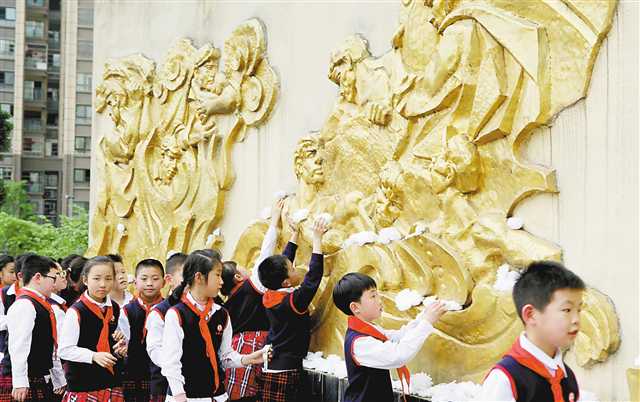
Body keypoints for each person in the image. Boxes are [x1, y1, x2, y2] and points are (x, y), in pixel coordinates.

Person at [161, 250, 267, 402]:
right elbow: (171, 362)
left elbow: (224, 356)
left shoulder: (222, 314)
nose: (222, 281)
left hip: (217, 396)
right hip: (186, 397)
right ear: (199, 277)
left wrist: (247, 359)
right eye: (217, 275)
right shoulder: (176, 314)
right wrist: (179, 395)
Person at [479, 261, 585, 402]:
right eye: (567, 310)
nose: (576, 319)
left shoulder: (567, 377)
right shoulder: (505, 379)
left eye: (579, 310)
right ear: (530, 315)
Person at [332, 272, 446, 402]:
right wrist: (426, 322)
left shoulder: (369, 329)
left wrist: (424, 317)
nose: (379, 300)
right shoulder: (359, 342)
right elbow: (398, 355)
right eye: (373, 296)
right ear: (355, 307)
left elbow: (398, 336)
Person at [258, 215, 329, 402]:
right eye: (293, 268)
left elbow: (283, 261)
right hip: (286, 370)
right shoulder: (291, 302)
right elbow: (313, 277)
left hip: (272, 365)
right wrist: (317, 239)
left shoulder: (270, 293)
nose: (296, 268)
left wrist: (295, 235)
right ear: (286, 281)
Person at [221, 198, 285, 401]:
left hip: (237, 354)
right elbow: (266, 252)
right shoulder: (250, 288)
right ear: (238, 277)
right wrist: (274, 221)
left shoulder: (229, 301)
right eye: (242, 267)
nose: (249, 268)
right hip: (251, 351)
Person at [59, 256, 129, 402]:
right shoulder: (76, 311)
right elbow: (64, 350)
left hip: (111, 381)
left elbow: (109, 339)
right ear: (85, 280)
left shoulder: (114, 308)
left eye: (108, 278)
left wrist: (120, 346)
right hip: (83, 383)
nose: (102, 284)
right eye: (96, 278)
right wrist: (93, 356)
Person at [4, 255, 66, 401]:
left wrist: (58, 377)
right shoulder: (25, 305)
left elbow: (49, 345)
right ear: (38, 277)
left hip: (37, 377)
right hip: (24, 381)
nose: (55, 283)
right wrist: (19, 381)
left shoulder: (42, 304)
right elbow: (18, 346)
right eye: (53, 277)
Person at [120, 259, 165, 402]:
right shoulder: (126, 310)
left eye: (155, 278)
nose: (149, 283)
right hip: (132, 375)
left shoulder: (171, 310)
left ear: (164, 282)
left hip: (162, 376)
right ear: (135, 282)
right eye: (144, 279)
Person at [145, 252, 187, 402]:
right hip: (165, 383)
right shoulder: (160, 312)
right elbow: (154, 349)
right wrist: (176, 365)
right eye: (185, 275)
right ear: (169, 279)